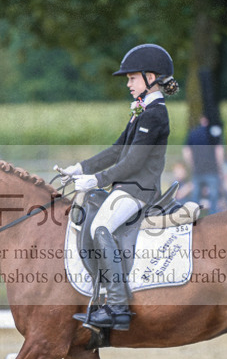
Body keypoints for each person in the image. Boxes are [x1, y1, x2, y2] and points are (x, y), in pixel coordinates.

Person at [61, 43, 178, 331]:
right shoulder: (141, 111)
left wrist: (97, 181)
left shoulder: (155, 114)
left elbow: (134, 162)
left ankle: (116, 305)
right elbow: (117, 151)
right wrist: (81, 168)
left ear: (151, 77)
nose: (128, 84)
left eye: (132, 78)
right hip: (126, 187)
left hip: (139, 190)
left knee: (100, 228)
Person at [183, 115, 224, 214]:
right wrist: (220, 167)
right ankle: (213, 218)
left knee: (195, 196)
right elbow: (219, 150)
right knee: (214, 196)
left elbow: (186, 151)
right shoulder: (214, 133)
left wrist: (192, 165)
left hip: (197, 169)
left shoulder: (193, 133)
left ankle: (193, 218)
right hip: (212, 169)